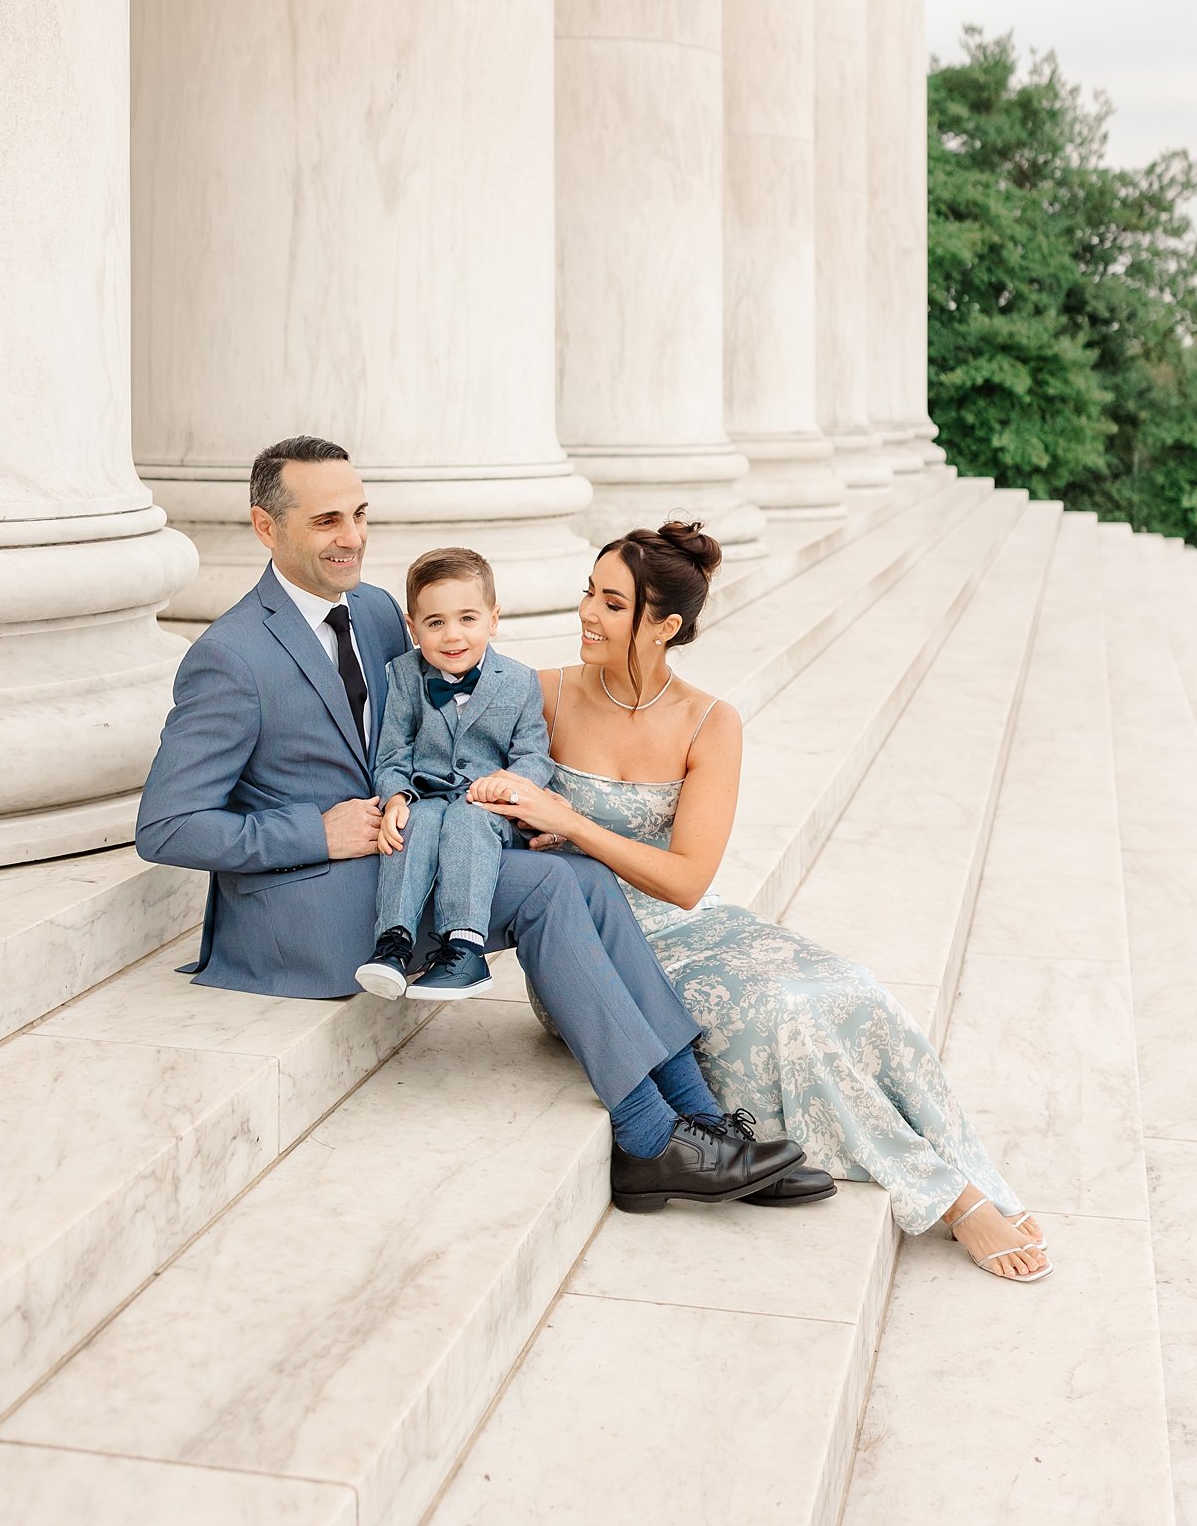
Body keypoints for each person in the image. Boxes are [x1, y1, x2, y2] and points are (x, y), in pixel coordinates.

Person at [135, 436, 817, 1214]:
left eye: (358, 515)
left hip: (407, 852)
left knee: (584, 872)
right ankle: (647, 1135)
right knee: (549, 893)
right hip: (307, 901)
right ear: (266, 527)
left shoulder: (375, 610)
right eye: (326, 520)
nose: (352, 537)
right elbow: (165, 827)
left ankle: (697, 1119)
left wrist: (512, 800)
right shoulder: (230, 655)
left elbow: (445, 712)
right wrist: (315, 833)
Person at [470, 520, 1053, 1280]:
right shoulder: (542, 695)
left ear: (664, 627)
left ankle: (978, 1174)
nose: (587, 613)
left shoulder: (710, 722)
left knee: (854, 990)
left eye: (613, 604)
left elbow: (687, 882)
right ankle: (953, 1199)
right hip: (591, 953)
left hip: (692, 926)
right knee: (788, 1017)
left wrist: (571, 821)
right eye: (590, 592)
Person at [357, 546, 553, 1003]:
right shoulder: (403, 675)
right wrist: (396, 797)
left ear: (493, 618)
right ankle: (393, 944)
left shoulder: (520, 681)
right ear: (413, 627)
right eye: (435, 622)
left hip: (485, 808)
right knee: (414, 823)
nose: (453, 636)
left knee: (465, 821)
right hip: (425, 798)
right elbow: (392, 753)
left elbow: (535, 756)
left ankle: (465, 950)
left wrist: (509, 783)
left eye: (468, 618)